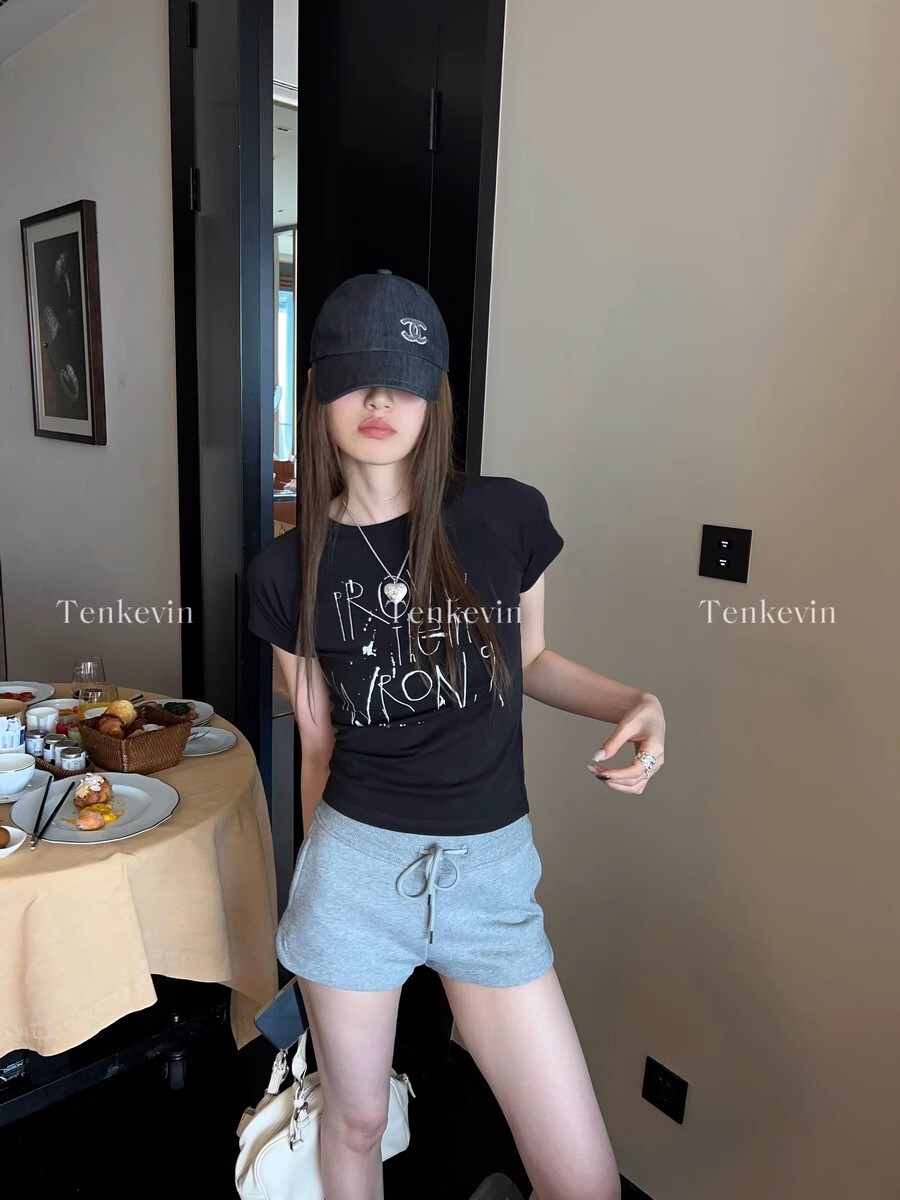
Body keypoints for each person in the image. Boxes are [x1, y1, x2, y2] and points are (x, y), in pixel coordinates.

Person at [246, 270, 667, 1200]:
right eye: (358, 378)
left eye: (403, 380)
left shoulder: (504, 516)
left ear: (435, 395)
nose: (381, 401)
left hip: (490, 883)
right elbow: (315, 745)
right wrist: (319, 888)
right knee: (355, 1122)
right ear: (319, 393)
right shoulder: (285, 570)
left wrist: (635, 700)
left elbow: (533, 657)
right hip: (354, 873)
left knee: (585, 1182)